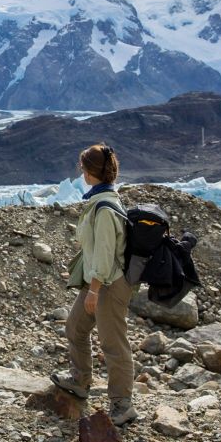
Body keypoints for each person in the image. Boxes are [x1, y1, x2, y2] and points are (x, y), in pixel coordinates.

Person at [51, 143, 138, 426]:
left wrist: (94, 290)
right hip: (97, 281)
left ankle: (122, 404)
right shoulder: (101, 200)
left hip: (108, 284)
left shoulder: (104, 208)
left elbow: (104, 252)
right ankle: (79, 380)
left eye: (83, 168)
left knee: (113, 343)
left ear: (89, 171)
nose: (81, 173)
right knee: (75, 327)